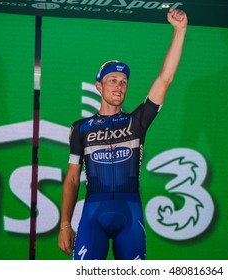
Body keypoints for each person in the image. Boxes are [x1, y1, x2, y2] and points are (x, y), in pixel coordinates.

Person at [58, 8, 188, 260]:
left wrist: (179, 31)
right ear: (99, 86)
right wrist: (65, 224)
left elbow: (165, 78)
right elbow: (72, 179)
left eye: (124, 82)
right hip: (93, 213)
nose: (119, 86)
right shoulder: (80, 128)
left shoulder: (136, 122)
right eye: (112, 80)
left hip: (130, 213)